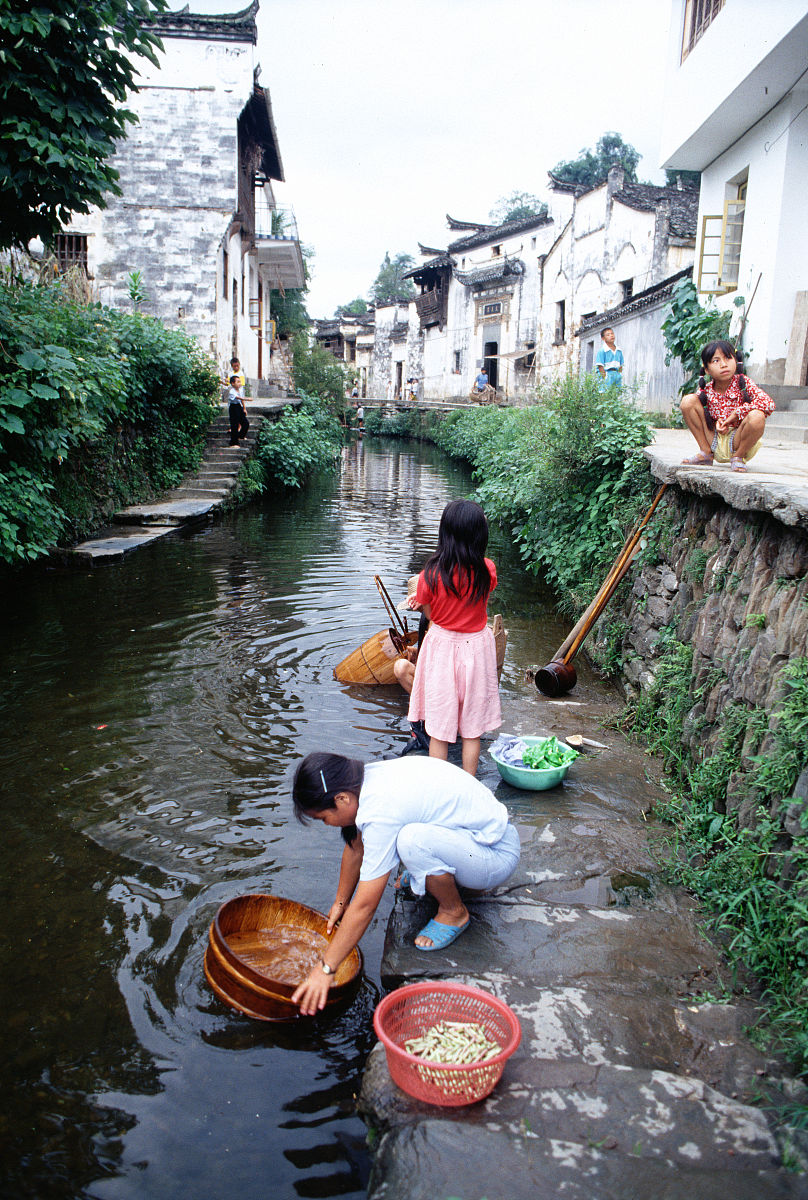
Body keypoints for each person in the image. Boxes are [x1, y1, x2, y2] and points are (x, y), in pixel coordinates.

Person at [289, 751, 521, 1013]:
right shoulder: (364, 781)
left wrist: (326, 968)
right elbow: (356, 848)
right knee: (410, 842)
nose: (327, 824)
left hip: (494, 855)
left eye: (323, 818)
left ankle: (454, 912)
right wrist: (340, 903)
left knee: (411, 842)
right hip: (471, 837)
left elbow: (366, 905)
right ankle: (431, 869)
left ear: (341, 799)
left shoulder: (379, 808)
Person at [405, 498, 501, 776]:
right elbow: (472, 599)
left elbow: (432, 614)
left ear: (445, 533)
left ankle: (440, 788)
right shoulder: (488, 570)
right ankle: (469, 785)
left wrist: (420, 598)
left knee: (439, 727)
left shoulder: (430, 574)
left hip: (443, 648)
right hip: (477, 647)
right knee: (471, 730)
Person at [680, 340, 775, 472]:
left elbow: (768, 403)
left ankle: (738, 457)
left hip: (739, 440)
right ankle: (705, 453)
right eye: (716, 361)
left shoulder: (744, 383)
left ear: (736, 361)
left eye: (728, 358)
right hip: (713, 439)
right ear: (706, 369)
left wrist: (738, 413)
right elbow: (701, 414)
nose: (724, 365)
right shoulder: (705, 390)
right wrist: (717, 422)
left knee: (757, 416)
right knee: (688, 401)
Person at [595, 327, 624, 391]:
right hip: (607, 374)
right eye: (608, 335)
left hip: (616, 374)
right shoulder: (602, 351)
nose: (611, 336)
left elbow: (621, 366)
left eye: (612, 333)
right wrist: (605, 377)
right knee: (605, 394)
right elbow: (600, 366)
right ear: (603, 338)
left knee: (615, 394)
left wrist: (618, 375)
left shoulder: (619, 351)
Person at [227, 374, 249, 445]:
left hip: (239, 407)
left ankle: (241, 436)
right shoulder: (232, 391)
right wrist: (247, 399)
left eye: (240, 382)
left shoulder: (240, 390)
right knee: (234, 425)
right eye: (238, 382)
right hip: (233, 408)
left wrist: (244, 408)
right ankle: (233, 442)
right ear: (233, 383)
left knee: (245, 423)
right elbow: (238, 398)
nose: (240, 383)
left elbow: (241, 400)